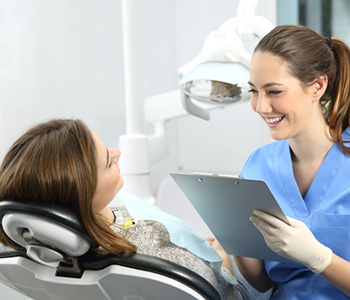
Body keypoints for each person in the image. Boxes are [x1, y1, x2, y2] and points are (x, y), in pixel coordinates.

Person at [0, 118, 241, 299]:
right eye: (108, 162)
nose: (118, 153)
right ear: (84, 196)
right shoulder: (160, 253)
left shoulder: (43, 253)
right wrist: (225, 257)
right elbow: (226, 292)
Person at [231, 24, 350, 299]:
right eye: (254, 91)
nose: (261, 107)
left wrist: (319, 259)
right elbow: (261, 282)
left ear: (317, 86)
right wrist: (236, 238)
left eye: (274, 91)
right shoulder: (259, 165)